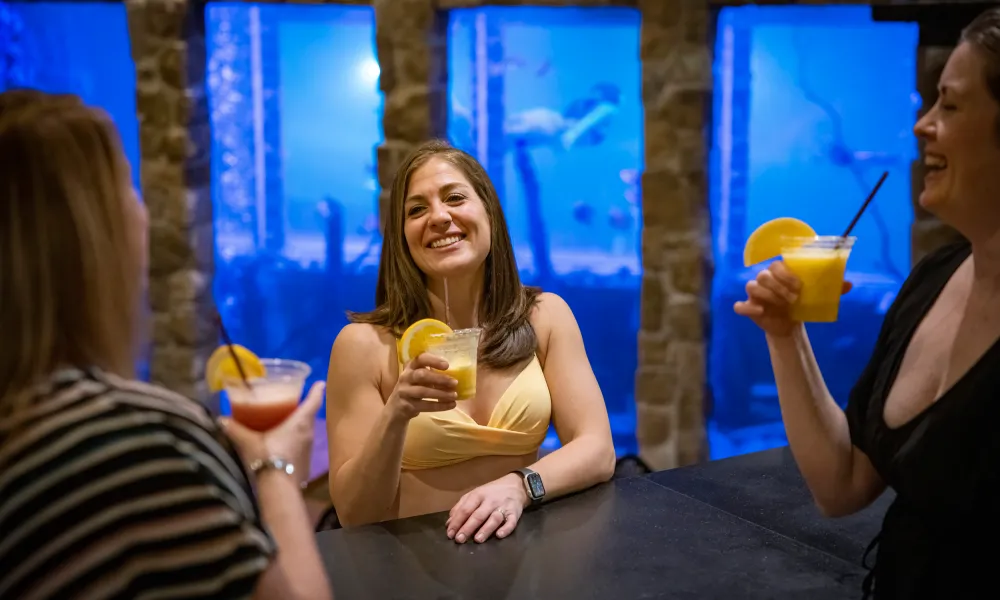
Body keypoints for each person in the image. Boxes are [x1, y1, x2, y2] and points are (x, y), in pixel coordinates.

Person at [0, 89, 332, 600]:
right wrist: (276, 470)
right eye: (129, 190)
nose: (145, 215)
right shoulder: (140, 447)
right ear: (95, 240)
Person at [734, 7, 1000, 599]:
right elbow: (842, 483)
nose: (921, 126)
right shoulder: (933, 279)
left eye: (950, 106)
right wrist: (785, 333)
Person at [326, 139, 616, 543]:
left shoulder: (546, 317)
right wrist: (396, 416)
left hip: (524, 564)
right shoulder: (362, 346)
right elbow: (355, 515)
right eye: (416, 209)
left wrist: (520, 485)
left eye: (455, 197)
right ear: (401, 238)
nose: (439, 217)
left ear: (489, 213)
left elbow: (598, 450)